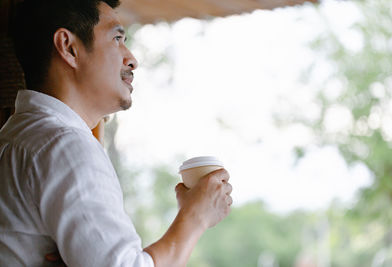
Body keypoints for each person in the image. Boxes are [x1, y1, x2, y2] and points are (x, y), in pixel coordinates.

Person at [0, 0, 233, 266]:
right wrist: (196, 217)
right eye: (117, 38)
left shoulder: (15, 137)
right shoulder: (64, 146)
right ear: (69, 47)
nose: (131, 59)